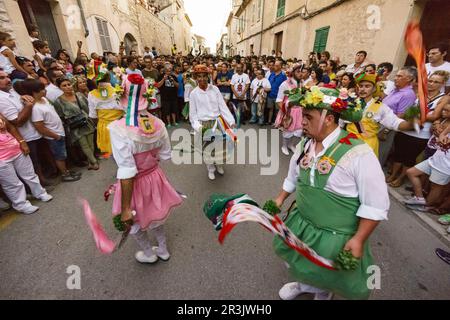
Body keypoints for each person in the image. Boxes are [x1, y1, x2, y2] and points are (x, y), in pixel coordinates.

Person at [273, 86, 389, 300]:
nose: (302, 122)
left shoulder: (358, 153)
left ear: (328, 118)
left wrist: (359, 239)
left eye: (308, 117)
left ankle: (323, 293)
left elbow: (376, 204)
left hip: (334, 235)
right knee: (298, 259)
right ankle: (302, 284)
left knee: (325, 271)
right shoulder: (304, 146)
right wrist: (279, 199)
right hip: (302, 223)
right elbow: (293, 177)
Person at [108, 79, 183, 264]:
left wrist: (125, 208)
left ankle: (149, 253)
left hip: (134, 184)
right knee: (156, 215)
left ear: (122, 96)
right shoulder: (158, 123)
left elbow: (127, 170)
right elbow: (165, 155)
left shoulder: (118, 128)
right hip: (155, 176)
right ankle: (163, 249)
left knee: (133, 219)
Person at [388, 71, 448, 188]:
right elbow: (407, 109)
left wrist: (416, 115)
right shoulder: (420, 92)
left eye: (436, 82)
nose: (431, 84)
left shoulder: (443, 98)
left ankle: (400, 178)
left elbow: (435, 115)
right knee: (398, 154)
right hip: (406, 128)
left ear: (442, 84)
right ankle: (393, 174)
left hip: (421, 134)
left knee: (409, 158)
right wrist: (413, 115)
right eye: (430, 81)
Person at [23, 79, 81, 182]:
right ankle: (65, 174)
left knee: (63, 154)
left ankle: (67, 171)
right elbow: (39, 127)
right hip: (54, 136)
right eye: (41, 89)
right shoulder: (36, 108)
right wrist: (55, 136)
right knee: (59, 156)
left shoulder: (44, 100)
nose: (44, 91)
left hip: (60, 131)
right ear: (34, 92)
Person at [346, 73, 413, 158]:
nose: (363, 89)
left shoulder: (381, 107)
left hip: (366, 146)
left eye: (367, 86)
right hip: (348, 142)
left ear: (374, 89)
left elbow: (395, 122)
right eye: (361, 86)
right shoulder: (350, 103)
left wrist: (411, 124)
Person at [189, 65, 236, 181]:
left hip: (218, 122)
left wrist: (230, 121)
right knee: (207, 150)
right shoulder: (194, 93)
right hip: (204, 125)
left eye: (204, 76)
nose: (202, 79)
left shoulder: (215, 89)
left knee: (220, 147)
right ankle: (210, 168)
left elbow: (222, 106)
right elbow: (193, 115)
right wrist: (198, 128)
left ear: (208, 76)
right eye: (199, 76)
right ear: (196, 78)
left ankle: (219, 165)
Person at [0, 115, 53, 214]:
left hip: (16, 151)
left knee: (29, 174)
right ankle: (21, 205)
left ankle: (40, 193)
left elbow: (11, 127)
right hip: (2, 159)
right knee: (12, 184)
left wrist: (22, 142)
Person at [405, 102, 449, 208]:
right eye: (444, 109)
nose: (444, 112)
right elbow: (442, 134)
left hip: (446, 165)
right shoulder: (445, 122)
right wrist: (441, 134)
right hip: (435, 158)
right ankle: (419, 199)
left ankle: (426, 206)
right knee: (411, 172)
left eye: (447, 111)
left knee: (436, 187)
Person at [53, 77, 98, 170]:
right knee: (84, 144)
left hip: (86, 121)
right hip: (75, 126)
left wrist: (92, 120)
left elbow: (88, 108)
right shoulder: (58, 101)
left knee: (91, 143)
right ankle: (94, 161)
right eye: (64, 86)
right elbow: (60, 115)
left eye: (69, 84)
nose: (68, 87)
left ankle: (90, 162)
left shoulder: (79, 95)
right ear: (60, 88)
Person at [378, 67, 418, 166]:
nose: (395, 78)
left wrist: (386, 131)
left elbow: (400, 116)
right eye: (396, 75)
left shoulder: (408, 94)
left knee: (379, 154)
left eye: (399, 76)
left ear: (409, 79)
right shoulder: (396, 90)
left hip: (386, 128)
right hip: (378, 124)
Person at [274, 64, 303, 155]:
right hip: (289, 111)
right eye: (298, 72)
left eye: (302, 71)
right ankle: (284, 146)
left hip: (299, 111)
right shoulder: (285, 84)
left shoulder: (301, 84)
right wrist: (285, 113)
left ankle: (291, 145)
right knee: (288, 130)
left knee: (298, 131)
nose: (301, 74)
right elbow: (279, 100)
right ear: (292, 72)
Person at [230, 63, 251, 128]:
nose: (238, 69)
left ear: (242, 68)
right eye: (237, 68)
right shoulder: (234, 76)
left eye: (240, 68)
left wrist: (243, 93)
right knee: (235, 108)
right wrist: (236, 94)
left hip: (243, 95)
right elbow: (232, 85)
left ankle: (241, 120)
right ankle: (236, 120)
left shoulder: (246, 76)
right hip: (235, 95)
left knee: (242, 109)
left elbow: (247, 85)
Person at [267, 60, 287, 125]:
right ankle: (269, 121)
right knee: (270, 109)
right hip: (270, 94)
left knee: (277, 110)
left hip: (278, 96)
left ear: (280, 66)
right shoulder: (271, 74)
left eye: (276, 65)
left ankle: (277, 122)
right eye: (274, 65)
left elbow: (285, 85)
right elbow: (268, 83)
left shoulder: (283, 75)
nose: (274, 67)